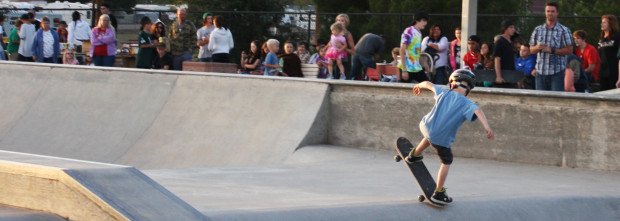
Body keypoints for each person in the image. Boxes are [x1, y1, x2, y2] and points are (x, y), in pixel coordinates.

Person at [405, 69, 494, 205]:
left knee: (431, 137)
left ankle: (413, 155)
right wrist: (487, 127)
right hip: (441, 138)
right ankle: (439, 192)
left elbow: (428, 83)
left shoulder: (443, 92)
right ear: (468, 89)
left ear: (452, 84)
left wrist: (418, 86)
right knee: (447, 160)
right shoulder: (468, 104)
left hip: (425, 126)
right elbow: (478, 111)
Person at [529, 2, 573, 91]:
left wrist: (552, 50)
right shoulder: (538, 30)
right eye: (548, 11)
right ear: (545, 13)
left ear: (557, 13)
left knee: (556, 100)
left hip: (557, 72)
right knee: (541, 101)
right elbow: (531, 50)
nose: (550, 13)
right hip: (540, 71)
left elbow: (570, 50)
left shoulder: (564, 30)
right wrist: (537, 47)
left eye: (552, 11)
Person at [398, 12, 430, 83]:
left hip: (416, 68)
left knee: (428, 86)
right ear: (417, 20)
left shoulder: (419, 33)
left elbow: (417, 52)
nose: (426, 23)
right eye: (424, 20)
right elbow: (402, 50)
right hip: (407, 68)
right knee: (403, 91)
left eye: (426, 21)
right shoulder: (409, 31)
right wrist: (404, 70)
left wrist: (424, 63)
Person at [597, 14, 620, 90]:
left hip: (614, 72)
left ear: (611, 24)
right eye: (601, 22)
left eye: (604, 22)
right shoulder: (601, 38)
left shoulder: (617, 36)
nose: (601, 24)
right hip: (603, 73)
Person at [494, 19, 518, 84]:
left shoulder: (511, 42)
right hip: (503, 76)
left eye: (514, 27)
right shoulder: (500, 41)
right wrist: (498, 76)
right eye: (511, 27)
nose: (513, 29)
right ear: (505, 28)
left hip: (511, 75)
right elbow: (497, 59)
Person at [334, 14, 356, 79]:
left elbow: (353, 52)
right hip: (335, 60)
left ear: (346, 23)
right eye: (338, 20)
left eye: (342, 21)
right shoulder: (334, 33)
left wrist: (343, 48)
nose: (339, 22)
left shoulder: (348, 34)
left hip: (345, 62)